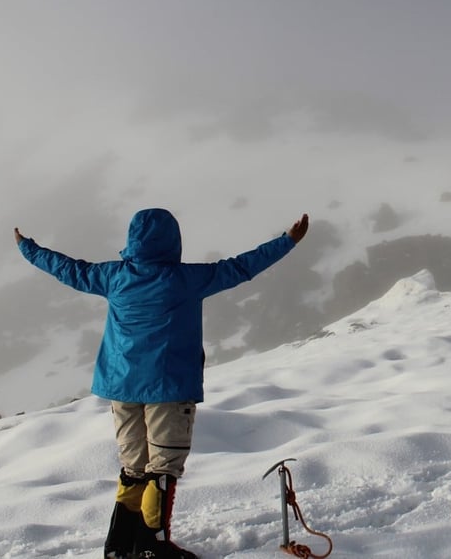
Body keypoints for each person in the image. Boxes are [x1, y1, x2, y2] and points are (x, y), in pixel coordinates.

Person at [15, 208, 309, 559]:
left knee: (133, 468)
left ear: (132, 240)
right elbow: (242, 267)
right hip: (168, 387)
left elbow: (67, 269)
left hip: (121, 386)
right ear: (173, 240)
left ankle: (120, 546)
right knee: (163, 468)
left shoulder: (113, 276)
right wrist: (287, 241)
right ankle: (153, 546)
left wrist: (27, 247)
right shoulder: (186, 279)